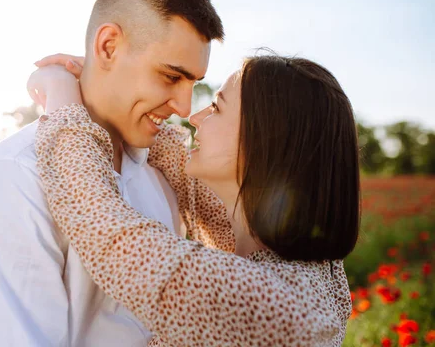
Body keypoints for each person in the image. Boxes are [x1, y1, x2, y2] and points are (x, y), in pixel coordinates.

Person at [0, 0, 224, 346]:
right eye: (170, 76)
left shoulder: (160, 172)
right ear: (108, 46)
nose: (184, 106)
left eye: (193, 82)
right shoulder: (14, 180)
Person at [27, 52, 360, 346]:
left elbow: (106, 230)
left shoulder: (269, 303)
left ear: (264, 142)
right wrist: (115, 91)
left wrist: (62, 96)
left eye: (216, 107)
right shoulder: (309, 268)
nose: (194, 117)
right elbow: (188, 182)